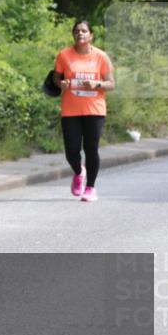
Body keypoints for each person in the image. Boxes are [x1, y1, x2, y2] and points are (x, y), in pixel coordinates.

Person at [52, 20, 115, 202]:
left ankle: (90, 188)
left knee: (91, 149)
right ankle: (79, 172)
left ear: (91, 35)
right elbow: (56, 77)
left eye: (84, 31)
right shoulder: (64, 55)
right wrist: (61, 83)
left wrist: (97, 84)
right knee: (71, 150)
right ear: (73, 35)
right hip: (70, 109)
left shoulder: (101, 57)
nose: (80, 34)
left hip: (94, 109)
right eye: (77, 31)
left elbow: (111, 84)